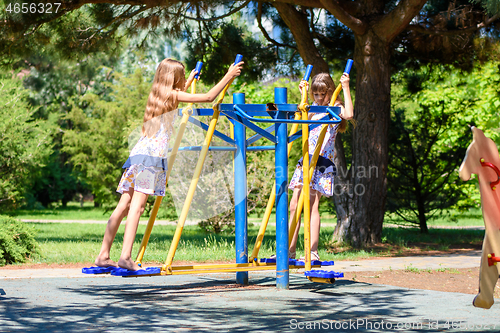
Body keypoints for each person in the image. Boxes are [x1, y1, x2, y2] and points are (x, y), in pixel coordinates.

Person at [94, 58, 244, 270]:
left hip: (138, 155)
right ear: (174, 79)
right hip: (151, 160)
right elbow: (209, 97)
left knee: (124, 205)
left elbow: (179, 95)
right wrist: (229, 75)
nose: (184, 81)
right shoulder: (173, 95)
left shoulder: (158, 94)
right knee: (137, 207)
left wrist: (190, 78)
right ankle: (125, 257)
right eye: (181, 78)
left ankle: (103, 255)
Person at [288, 72, 354, 261]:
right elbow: (300, 115)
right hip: (306, 159)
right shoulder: (313, 107)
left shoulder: (334, 106)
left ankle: (313, 252)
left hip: (322, 161)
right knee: (294, 205)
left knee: (311, 205)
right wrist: (303, 93)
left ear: (330, 91)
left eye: (322, 94)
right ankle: (290, 251)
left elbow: (349, 114)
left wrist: (346, 86)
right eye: (315, 94)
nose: (319, 97)